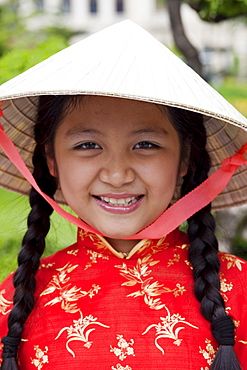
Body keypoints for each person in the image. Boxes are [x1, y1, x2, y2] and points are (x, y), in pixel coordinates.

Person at [0, 20, 247, 370]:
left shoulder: (241, 292)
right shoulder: (14, 300)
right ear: (51, 160)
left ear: (185, 160)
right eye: (88, 145)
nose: (117, 175)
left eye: (146, 145)